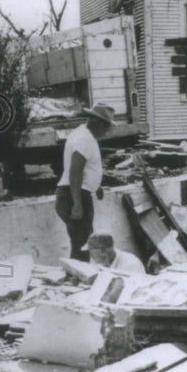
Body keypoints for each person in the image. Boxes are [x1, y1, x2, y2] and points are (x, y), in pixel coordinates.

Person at [54, 103, 113, 261]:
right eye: (107, 126)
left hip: (76, 193)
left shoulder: (84, 135)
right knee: (82, 245)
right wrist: (77, 204)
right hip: (73, 196)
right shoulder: (84, 139)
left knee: (82, 242)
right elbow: (75, 171)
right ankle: (78, 279)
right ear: (98, 122)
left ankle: (76, 278)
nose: (107, 130)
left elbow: (85, 168)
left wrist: (96, 184)